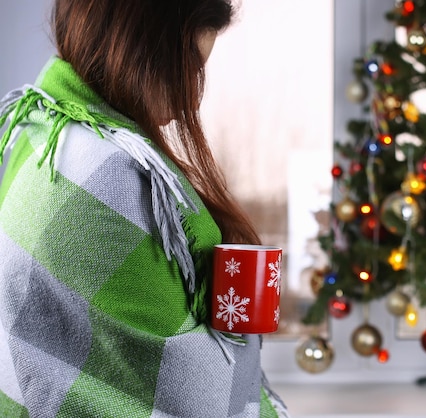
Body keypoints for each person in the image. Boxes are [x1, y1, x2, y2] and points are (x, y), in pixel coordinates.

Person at [0, 0, 289, 416]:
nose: (191, 101)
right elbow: (194, 397)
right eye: (186, 69)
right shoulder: (107, 175)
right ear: (135, 47)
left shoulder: (44, 130)